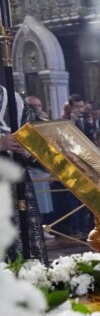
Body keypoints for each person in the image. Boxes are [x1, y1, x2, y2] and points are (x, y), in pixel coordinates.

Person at [0, 85, 48, 264]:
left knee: (22, 255)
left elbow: (43, 154)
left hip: (16, 191)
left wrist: (27, 151)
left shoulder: (14, 102)